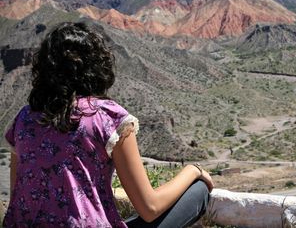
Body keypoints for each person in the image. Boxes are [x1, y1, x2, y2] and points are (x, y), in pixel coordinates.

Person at [3, 22, 213, 228]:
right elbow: (150, 207)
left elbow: (18, 197)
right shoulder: (106, 118)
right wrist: (193, 170)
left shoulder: (24, 119)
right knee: (199, 191)